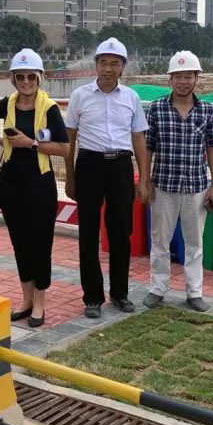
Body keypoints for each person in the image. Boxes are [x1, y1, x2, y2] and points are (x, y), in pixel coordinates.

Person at [64, 38, 148, 319]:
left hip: (121, 167)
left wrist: (144, 178)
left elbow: (139, 139)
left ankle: (120, 293)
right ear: (96, 65)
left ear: (123, 67)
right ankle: (92, 296)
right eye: (103, 62)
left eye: (114, 63)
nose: (108, 68)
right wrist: (70, 176)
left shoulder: (131, 97)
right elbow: (70, 139)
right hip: (89, 164)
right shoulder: (80, 96)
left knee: (121, 232)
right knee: (88, 232)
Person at [0, 49, 69, 327]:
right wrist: (2, 141)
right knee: (20, 243)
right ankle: (26, 300)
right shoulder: (8, 103)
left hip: (39, 185)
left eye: (31, 76)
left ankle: (40, 303)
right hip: (11, 184)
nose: (25, 82)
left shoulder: (49, 108)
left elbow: (65, 148)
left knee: (40, 245)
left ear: (39, 78)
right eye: (20, 77)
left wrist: (31, 143)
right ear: (13, 79)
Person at [139, 50, 213, 312]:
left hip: (196, 187)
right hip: (163, 185)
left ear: (197, 79)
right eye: (178, 76)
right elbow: (148, 147)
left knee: (195, 243)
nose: (183, 81)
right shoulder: (156, 109)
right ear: (170, 80)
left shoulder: (207, 110)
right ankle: (157, 288)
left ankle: (194, 292)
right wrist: (145, 180)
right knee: (160, 241)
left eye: (188, 76)